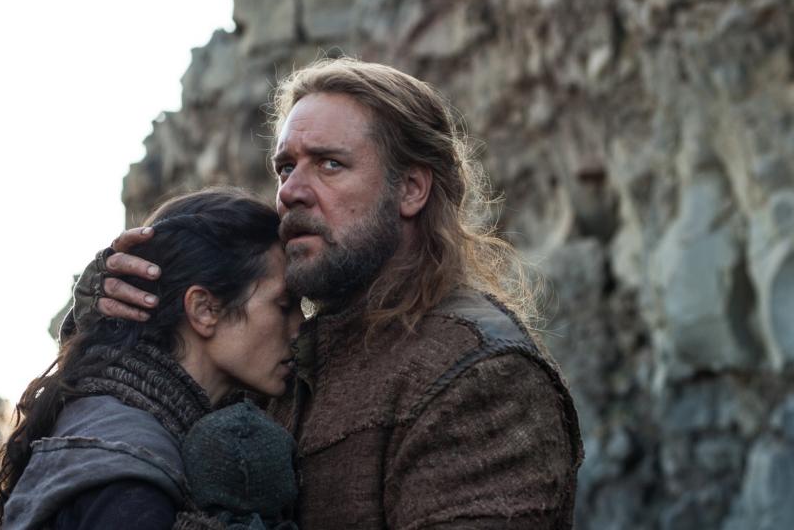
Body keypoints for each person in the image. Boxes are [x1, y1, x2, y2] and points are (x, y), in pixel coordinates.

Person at [69, 58, 584, 528]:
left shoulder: (478, 374)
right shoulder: (286, 352)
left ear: (410, 189)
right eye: (285, 167)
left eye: (329, 164)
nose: (290, 191)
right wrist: (113, 311)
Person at [0, 188, 303, 530]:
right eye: (284, 306)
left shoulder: (113, 424)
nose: (300, 327)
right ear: (204, 309)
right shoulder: (130, 480)